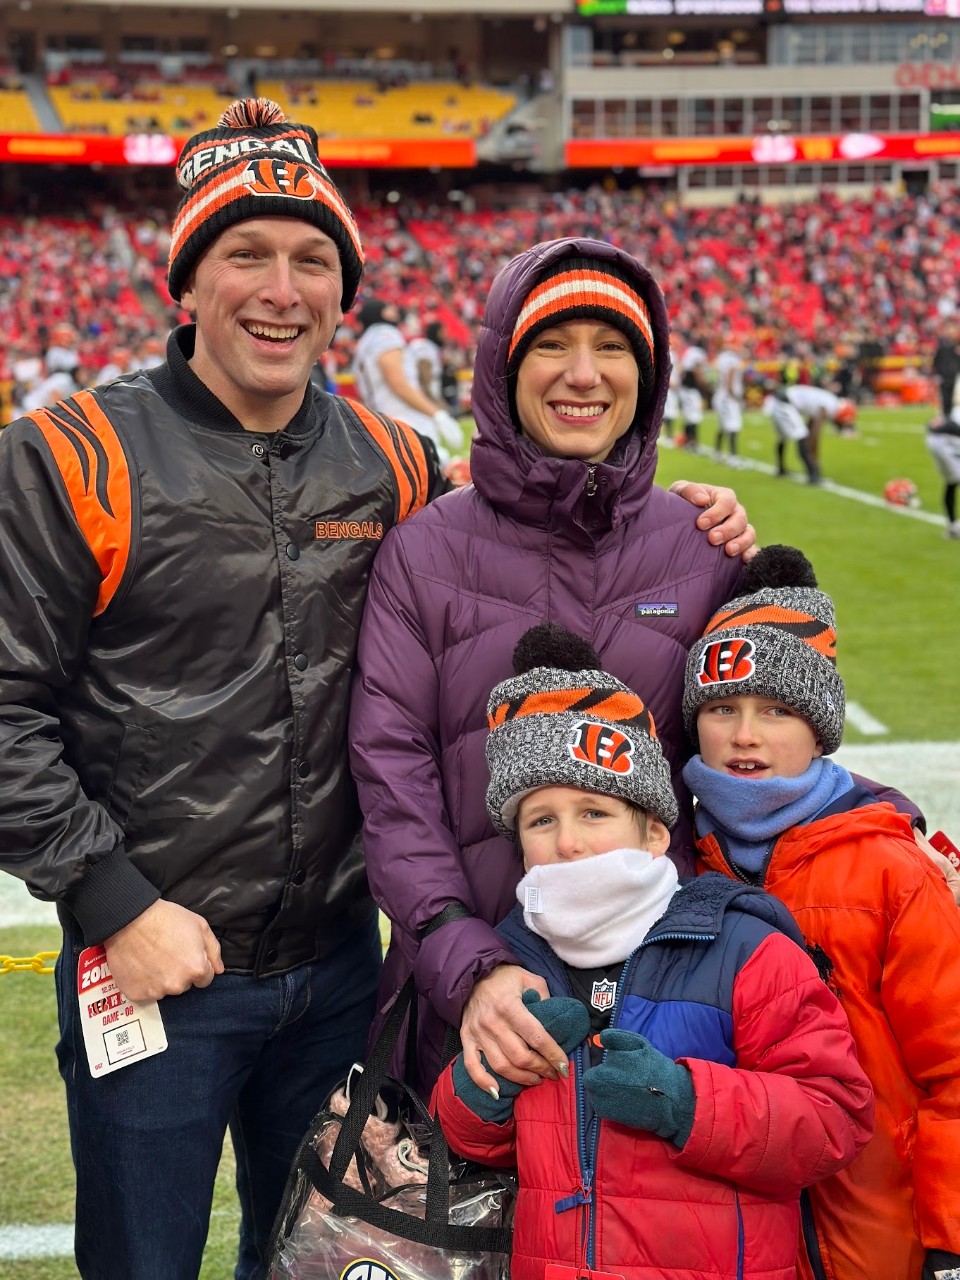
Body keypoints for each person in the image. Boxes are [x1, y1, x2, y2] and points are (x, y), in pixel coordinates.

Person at [0, 97, 449, 1280]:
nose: (281, 287)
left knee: (321, 1265)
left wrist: (689, 528)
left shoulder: (400, 462)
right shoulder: (72, 453)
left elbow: (508, 617)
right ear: (184, 284)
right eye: (245, 252)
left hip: (348, 965)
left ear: (343, 294)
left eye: (313, 259)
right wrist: (113, 901)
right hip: (154, 967)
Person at [350, 236, 765, 1097]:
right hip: (476, 1007)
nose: (584, 374)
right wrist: (471, 967)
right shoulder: (423, 552)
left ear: (646, 380)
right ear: (505, 368)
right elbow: (396, 785)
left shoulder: (701, 548)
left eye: (613, 348)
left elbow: (759, 764)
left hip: (671, 1006)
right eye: (552, 345)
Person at [432, 621, 874, 1280]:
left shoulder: (744, 949)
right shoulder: (508, 962)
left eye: (594, 813)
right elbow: (471, 1138)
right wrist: (485, 1083)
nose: (570, 843)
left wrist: (686, 1102)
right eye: (541, 820)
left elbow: (834, 1118)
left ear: (655, 833)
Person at [681, 544, 960, 1280]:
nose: (746, 735)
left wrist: (951, 1238)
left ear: (820, 727)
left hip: (882, 1237)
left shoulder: (891, 868)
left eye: (776, 710)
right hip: (742, 1240)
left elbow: (956, 1070)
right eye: (722, 708)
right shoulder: (675, 868)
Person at [352, 298, 462, 462]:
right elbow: (398, 384)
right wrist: (437, 414)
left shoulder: (363, 343)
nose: (394, 309)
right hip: (406, 422)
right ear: (380, 312)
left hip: (383, 423)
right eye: (388, 306)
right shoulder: (385, 334)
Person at [761, 380, 820, 483]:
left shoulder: (801, 390)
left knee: (782, 437)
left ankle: (781, 468)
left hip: (777, 405)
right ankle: (812, 473)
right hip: (784, 406)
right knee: (801, 435)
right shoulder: (819, 397)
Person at [711, 333, 746, 464]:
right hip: (728, 396)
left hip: (720, 394)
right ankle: (733, 457)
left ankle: (717, 453)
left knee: (722, 425)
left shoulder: (721, 357)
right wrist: (734, 394)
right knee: (733, 426)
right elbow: (730, 378)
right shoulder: (732, 359)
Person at [926, 412, 960, 539]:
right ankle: (952, 527)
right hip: (945, 441)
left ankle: (952, 526)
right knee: (953, 481)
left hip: (938, 439)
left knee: (951, 482)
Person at [931, 316, 960, 422]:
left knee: (956, 400)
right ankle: (947, 419)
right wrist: (937, 374)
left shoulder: (957, 345)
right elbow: (937, 361)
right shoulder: (942, 346)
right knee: (946, 399)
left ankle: (953, 419)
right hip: (945, 377)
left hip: (956, 376)